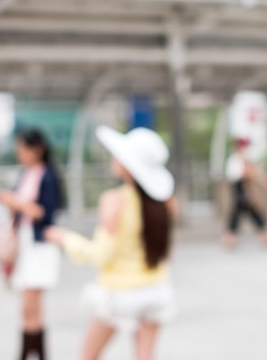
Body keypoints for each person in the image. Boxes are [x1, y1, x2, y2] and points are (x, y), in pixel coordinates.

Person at [45, 126, 177, 360]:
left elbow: (100, 255)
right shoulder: (165, 203)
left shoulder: (114, 200)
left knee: (88, 356)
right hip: (157, 290)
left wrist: (64, 238)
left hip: (120, 294)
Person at [0, 128, 64, 360]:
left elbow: (45, 212)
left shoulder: (47, 176)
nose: (20, 153)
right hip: (25, 242)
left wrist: (15, 201)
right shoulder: (25, 174)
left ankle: (28, 355)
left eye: (23, 148)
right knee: (29, 309)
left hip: (40, 245)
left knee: (29, 307)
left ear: (37, 149)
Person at [222, 138, 267, 248]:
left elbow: (255, 173)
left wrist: (264, 181)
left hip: (247, 189)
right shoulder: (234, 160)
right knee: (242, 211)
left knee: (247, 211)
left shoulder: (246, 159)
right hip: (239, 189)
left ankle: (230, 237)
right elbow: (238, 175)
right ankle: (263, 235)